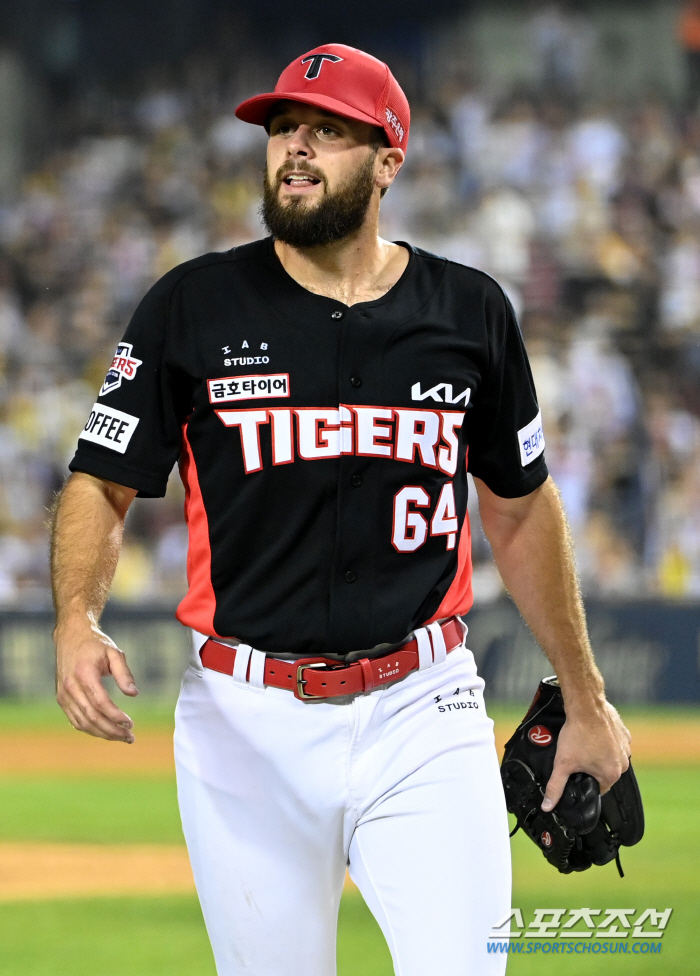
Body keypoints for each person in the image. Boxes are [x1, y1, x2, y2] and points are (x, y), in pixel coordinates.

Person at [50, 43, 630, 976]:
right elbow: (101, 479)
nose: (296, 147)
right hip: (245, 720)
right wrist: (77, 617)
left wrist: (589, 698)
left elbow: (520, 511)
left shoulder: (469, 311)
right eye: (283, 129)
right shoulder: (192, 305)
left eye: (329, 130)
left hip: (423, 706)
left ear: (390, 159)